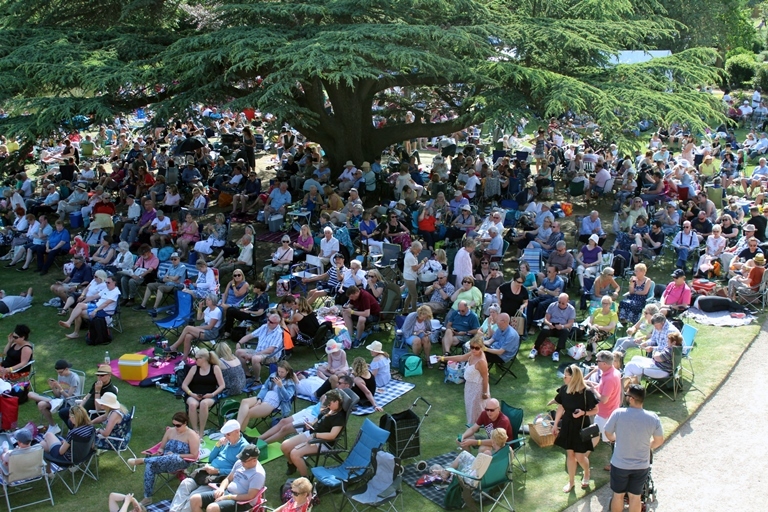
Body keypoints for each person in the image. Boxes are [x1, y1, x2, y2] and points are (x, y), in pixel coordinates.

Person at [604, 384, 664, 512]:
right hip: (641, 465)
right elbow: (659, 440)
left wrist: (616, 439)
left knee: (618, 495)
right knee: (635, 497)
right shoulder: (653, 418)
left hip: (620, 464)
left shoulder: (618, 413)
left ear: (631, 398)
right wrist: (648, 446)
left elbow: (608, 433)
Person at [169, 420, 249, 512]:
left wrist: (217, 471)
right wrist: (218, 445)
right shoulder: (226, 442)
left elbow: (238, 471)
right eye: (225, 434)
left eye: (228, 434)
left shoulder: (244, 448)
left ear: (237, 431)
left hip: (218, 477)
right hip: (206, 472)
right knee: (185, 483)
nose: (226, 437)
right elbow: (211, 458)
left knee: (193, 495)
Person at [128, 411, 201, 506]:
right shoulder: (170, 431)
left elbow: (194, 455)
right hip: (164, 460)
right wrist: (161, 451)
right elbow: (161, 447)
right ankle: (147, 497)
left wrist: (176, 455)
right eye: (173, 424)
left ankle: (143, 460)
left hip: (181, 461)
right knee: (150, 466)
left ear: (185, 423)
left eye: (178, 425)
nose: (175, 427)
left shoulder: (191, 435)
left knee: (172, 457)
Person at [551, 364, 599, 492]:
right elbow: (560, 407)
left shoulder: (586, 392)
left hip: (581, 427)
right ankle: (571, 482)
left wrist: (584, 413)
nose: (564, 379)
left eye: (566, 376)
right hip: (567, 425)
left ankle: (586, 472)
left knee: (580, 457)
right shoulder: (564, 390)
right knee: (570, 454)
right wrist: (555, 424)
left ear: (573, 377)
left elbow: (596, 409)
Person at [280, 389, 346, 477]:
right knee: (284, 446)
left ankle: (305, 478)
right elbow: (319, 418)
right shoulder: (329, 409)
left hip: (322, 442)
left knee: (294, 454)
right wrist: (312, 424)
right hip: (312, 434)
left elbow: (332, 435)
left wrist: (315, 435)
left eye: (329, 402)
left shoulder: (339, 417)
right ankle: (292, 465)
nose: (327, 404)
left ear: (336, 401)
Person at [439, 335, 490, 424]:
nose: (474, 350)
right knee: (471, 410)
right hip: (469, 386)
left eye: (477, 348)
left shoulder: (481, 361)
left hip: (478, 388)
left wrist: (484, 393)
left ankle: (486, 431)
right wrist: (443, 358)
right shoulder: (473, 353)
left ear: (481, 348)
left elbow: (485, 378)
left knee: (481, 411)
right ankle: (472, 430)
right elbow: (461, 358)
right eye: (472, 347)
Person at [586, 351, 622, 470]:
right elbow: (604, 389)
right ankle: (584, 455)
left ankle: (616, 463)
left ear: (605, 363)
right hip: (609, 412)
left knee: (611, 439)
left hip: (605, 414)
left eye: (598, 361)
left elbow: (604, 399)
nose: (596, 363)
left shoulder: (610, 378)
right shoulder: (612, 372)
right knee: (596, 434)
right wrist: (593, 385)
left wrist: (593, 390)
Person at [235, 361, 297, 432]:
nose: (280, 373)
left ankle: (239, 433)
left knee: (249, 412)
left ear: (287, 371)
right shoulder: (273, 375)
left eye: (282, 372)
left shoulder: (290, 383)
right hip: (265, 396)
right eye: (278, 371)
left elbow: (287, 398)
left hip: (274, 401)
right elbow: (265, 387)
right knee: (244, 401)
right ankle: (236, 428)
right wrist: (260, 399)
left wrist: (281, 387)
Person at [57, 274, 120, 338]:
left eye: (108, 282)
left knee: (78, 313)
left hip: (104, 311)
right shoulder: (107, 289)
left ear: (114, 282)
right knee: (79, 305)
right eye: (106, 282)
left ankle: (75, 333)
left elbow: (106, 304)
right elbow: (94, 297)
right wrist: (83, 302)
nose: (106, 284)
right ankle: (69, 322)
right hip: (97, 306)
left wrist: (95, 310)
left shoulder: (115, 292)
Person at [182, 348, 226, 439]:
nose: (195, 360)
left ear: (203, 359)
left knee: (204, 403)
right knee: (193, 404)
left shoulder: (215, 368)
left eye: (197, 358)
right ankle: (195, 431)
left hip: (210, 395)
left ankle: (201, 431)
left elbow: (222, 385)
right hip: (194, 394)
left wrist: (212, 394)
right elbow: (184, 385)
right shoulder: (194, 368)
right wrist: (191, 394)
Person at [28, 359, 80, 435]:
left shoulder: (74, 378)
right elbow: (58, 395)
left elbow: (69, 396)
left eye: (60, 372)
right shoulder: (60, 376)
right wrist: (53, 388)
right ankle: (53, 426)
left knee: (41, 402)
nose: (59, 374)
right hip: (60, 400)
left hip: (69, 402)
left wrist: (60, 388)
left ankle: (51, 401)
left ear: (66, 369)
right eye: (58, 372)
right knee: (33, 397)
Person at [235, 313, 285, 383]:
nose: (268, 322)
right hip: (258, 351)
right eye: (268, 320)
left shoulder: (278, 332)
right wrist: (239, 343)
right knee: (238, 352)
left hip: (271, 355)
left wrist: (254, 355)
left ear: (277, 323)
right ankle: (247, 374)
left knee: (255, 358)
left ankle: (257, 380)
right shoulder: (264, 327)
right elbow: (250, 336)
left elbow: (270, 350)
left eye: (271, 322)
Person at [168, 294, 223, 358]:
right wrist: (200, 307)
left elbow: (210, 327)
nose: (206, 301)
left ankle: (174, 347)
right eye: (206, 299)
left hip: (211, 332)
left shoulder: (216, 312)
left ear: (213, 301)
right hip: (205, 329)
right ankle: (184, 359)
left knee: (188, 328)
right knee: (188, 336)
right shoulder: (208, 308)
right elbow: (199, 318)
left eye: (208, 300)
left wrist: (197, 327)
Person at [530, 293, 576, 362]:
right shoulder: (552, 305)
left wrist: (562, 326)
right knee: (544, 330)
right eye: (559, 302)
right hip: (551, 326)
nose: (560, 304)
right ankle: (535, 349)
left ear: (567, 302)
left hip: (562, 327)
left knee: (565, 331)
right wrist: (549, 324)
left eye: (563, 303)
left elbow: (570, 323)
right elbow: (546, 319)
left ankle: (557, 352)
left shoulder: (571, 309)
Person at [440, 300, 481, 366]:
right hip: (453, 333)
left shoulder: (473, 316)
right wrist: (451, 329)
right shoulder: (455, 313)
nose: (461, 312)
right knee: (448, 330)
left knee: (444, 340)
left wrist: (465, 332)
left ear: (467, 308)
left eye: (463, 311)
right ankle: (447, 353)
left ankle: (444, 360)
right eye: (459, 310)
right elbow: (448, 325)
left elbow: (476, 330)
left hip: (464, 335)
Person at [580, 296, 618, 362]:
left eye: (607, 303)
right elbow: (589, 322)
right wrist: (592, 326)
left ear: (610, 304)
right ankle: (594, 351)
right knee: (592, 332)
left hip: (606, 332)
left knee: (591, 334)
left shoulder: (613, 314)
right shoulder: (597, 311)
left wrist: (598, 327)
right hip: (594, 330)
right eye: (603, 303)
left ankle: (590, 355)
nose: (605, 305)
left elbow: (610, 327)